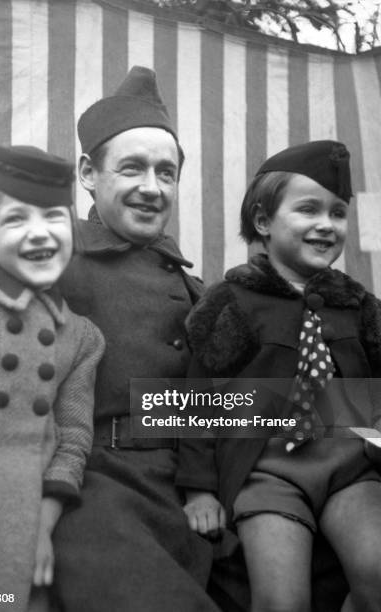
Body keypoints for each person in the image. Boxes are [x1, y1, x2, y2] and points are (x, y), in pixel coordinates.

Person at [176, 141, 381, 612]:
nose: (326, 225)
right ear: (264, 221)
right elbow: (198, 403)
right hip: (267, 475)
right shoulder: (231, 303)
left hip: (350, 472)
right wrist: (199, 490)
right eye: (308, 209)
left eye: (338, 212)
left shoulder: (359, 306)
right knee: (281, 599)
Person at [51, 66, 220, 612]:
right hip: (95, 491)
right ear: (88, 173)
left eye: (166, 173)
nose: (152, 188)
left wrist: (349, 408)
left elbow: (220, 406)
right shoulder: (52, 262)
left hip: (195, 495)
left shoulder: (197, 288)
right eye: (132, 169)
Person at [0, 145, 105, 612]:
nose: (40, 233)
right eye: (16, 219)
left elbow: (74, 438)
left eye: (54, 216)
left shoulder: (81, 336)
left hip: (19, 518)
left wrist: (41, 527)